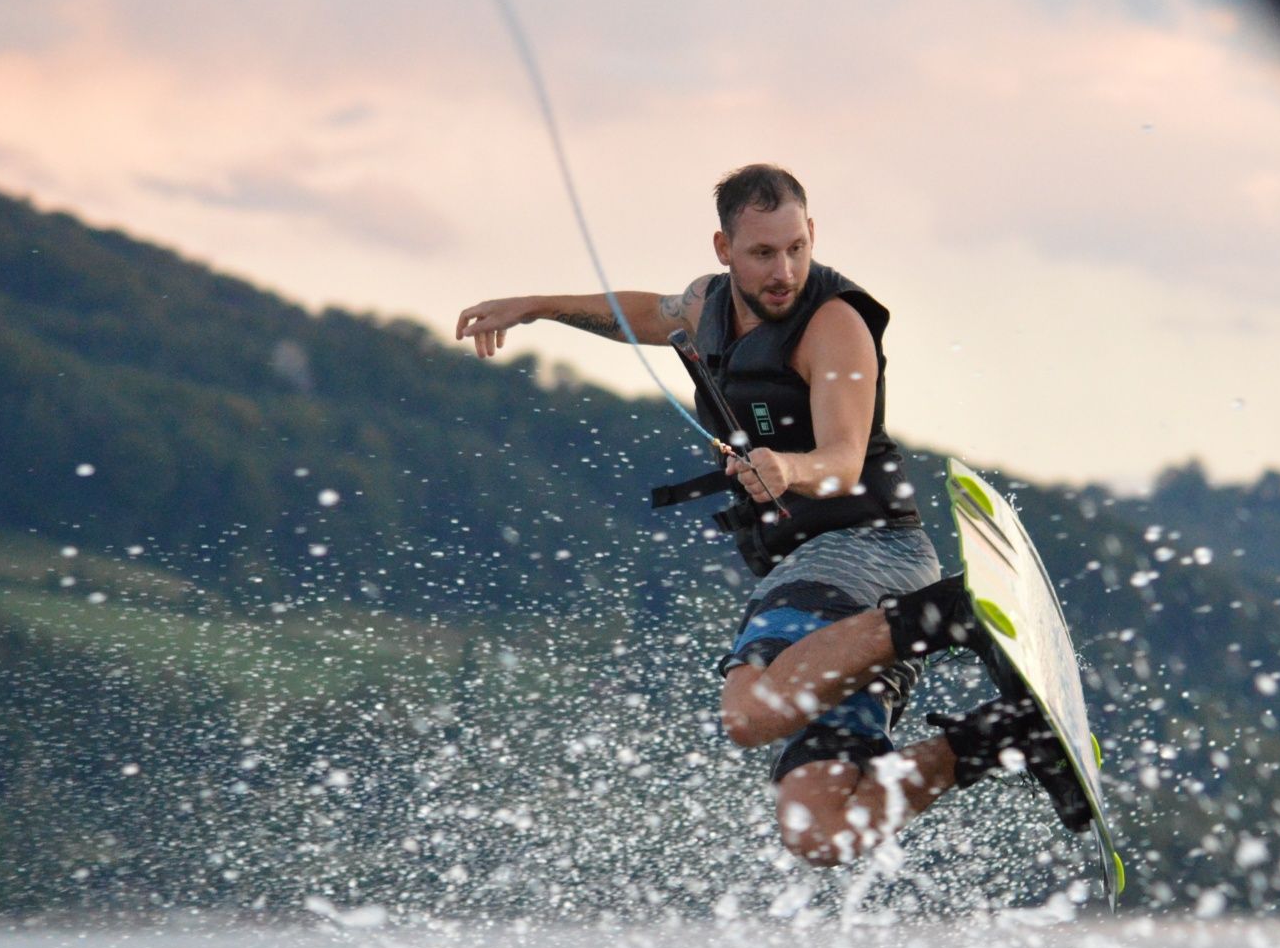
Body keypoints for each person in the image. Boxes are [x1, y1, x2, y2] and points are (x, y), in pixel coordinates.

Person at [456, 164, 1085, 868]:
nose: (783, 269)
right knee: (819, 833)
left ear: (811, 234)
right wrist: (535, 305)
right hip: (820, 578)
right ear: (724, 250)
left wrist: (790, 468)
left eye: (795, 248)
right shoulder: (708, 303)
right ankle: (1001, 737)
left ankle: (953, 611)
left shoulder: (835, 324)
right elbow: (646, 313)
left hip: (869, 552)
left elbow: (844, 458)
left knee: (750, 712)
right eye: (762, 254)